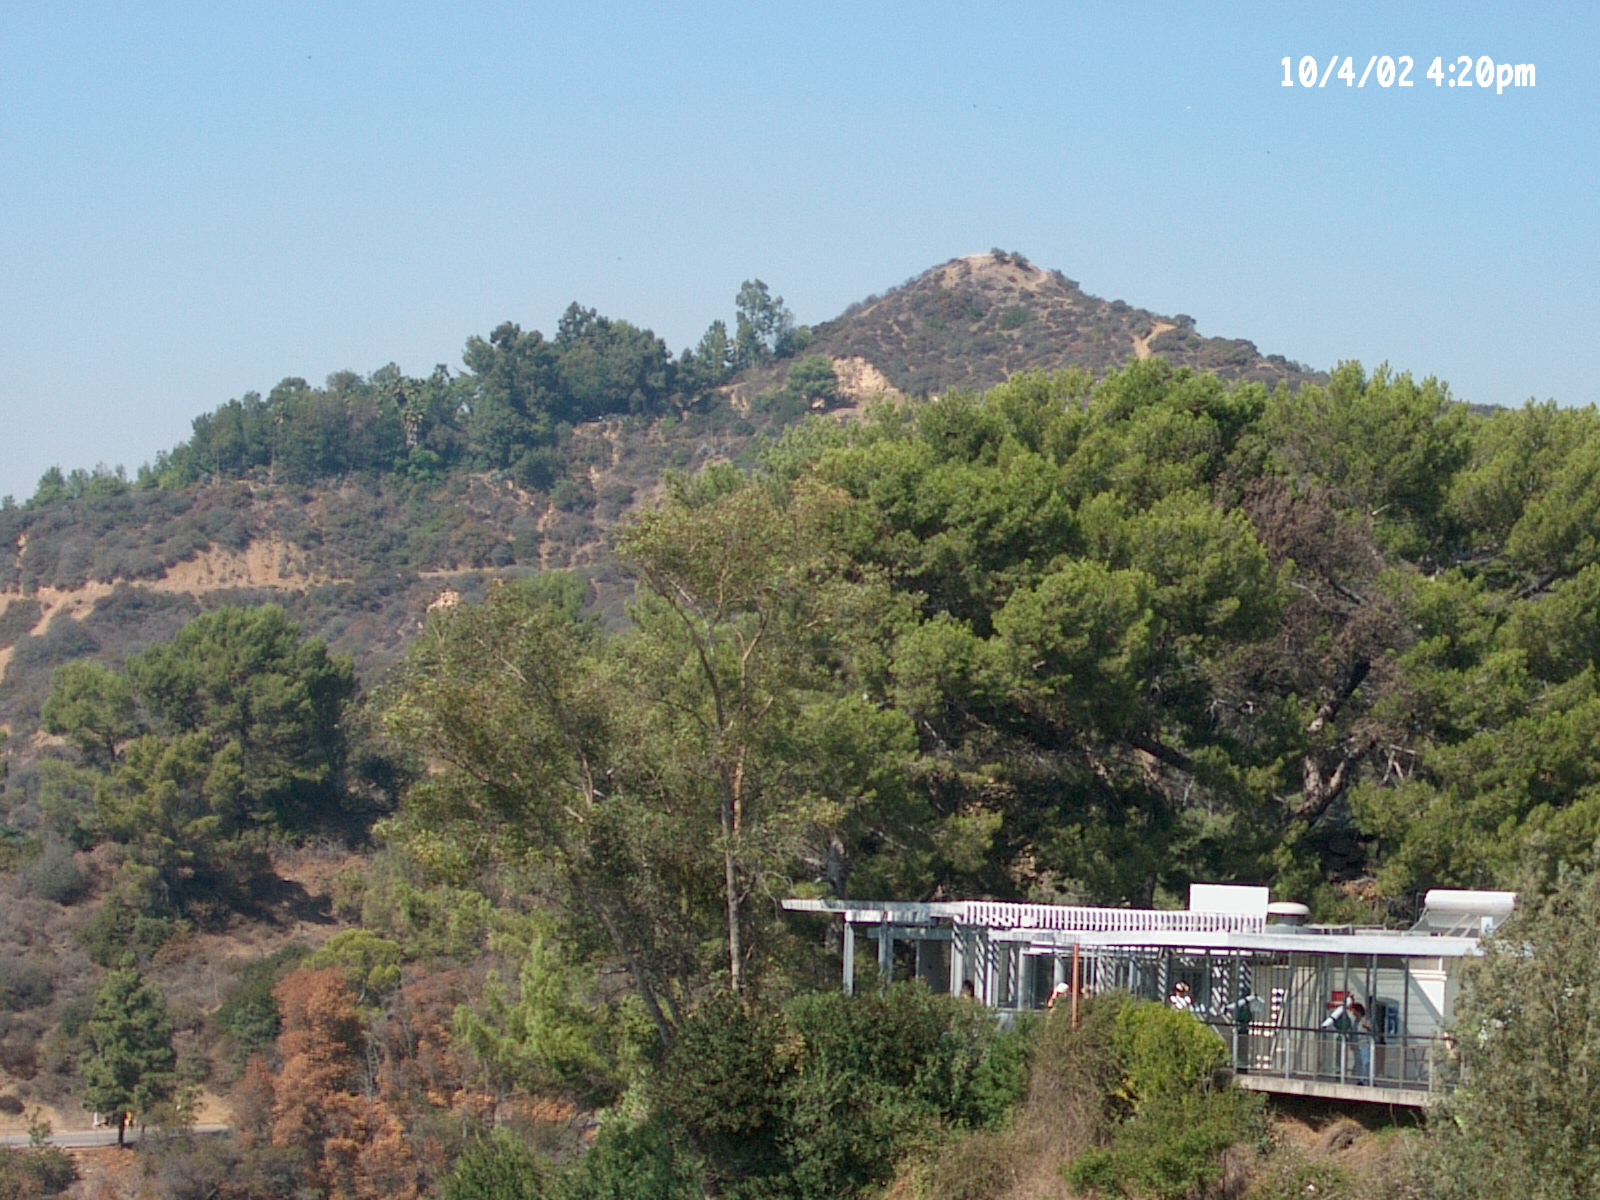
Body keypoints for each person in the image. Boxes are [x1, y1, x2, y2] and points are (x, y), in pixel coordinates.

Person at [1348, 1001, 1373, 1085]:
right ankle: (1360, 1080)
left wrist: (1368, 1026)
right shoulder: (1354, 1022)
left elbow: (1372, 1029)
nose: (1353, 1012)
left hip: (1365, 1045)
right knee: (1359, 1063)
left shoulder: (1365, 1020)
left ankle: (1368, 1079)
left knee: (1366, 1063)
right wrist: (1351, 1043)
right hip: (1357, 1046)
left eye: (1354, 1010)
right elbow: (1352, 1033)